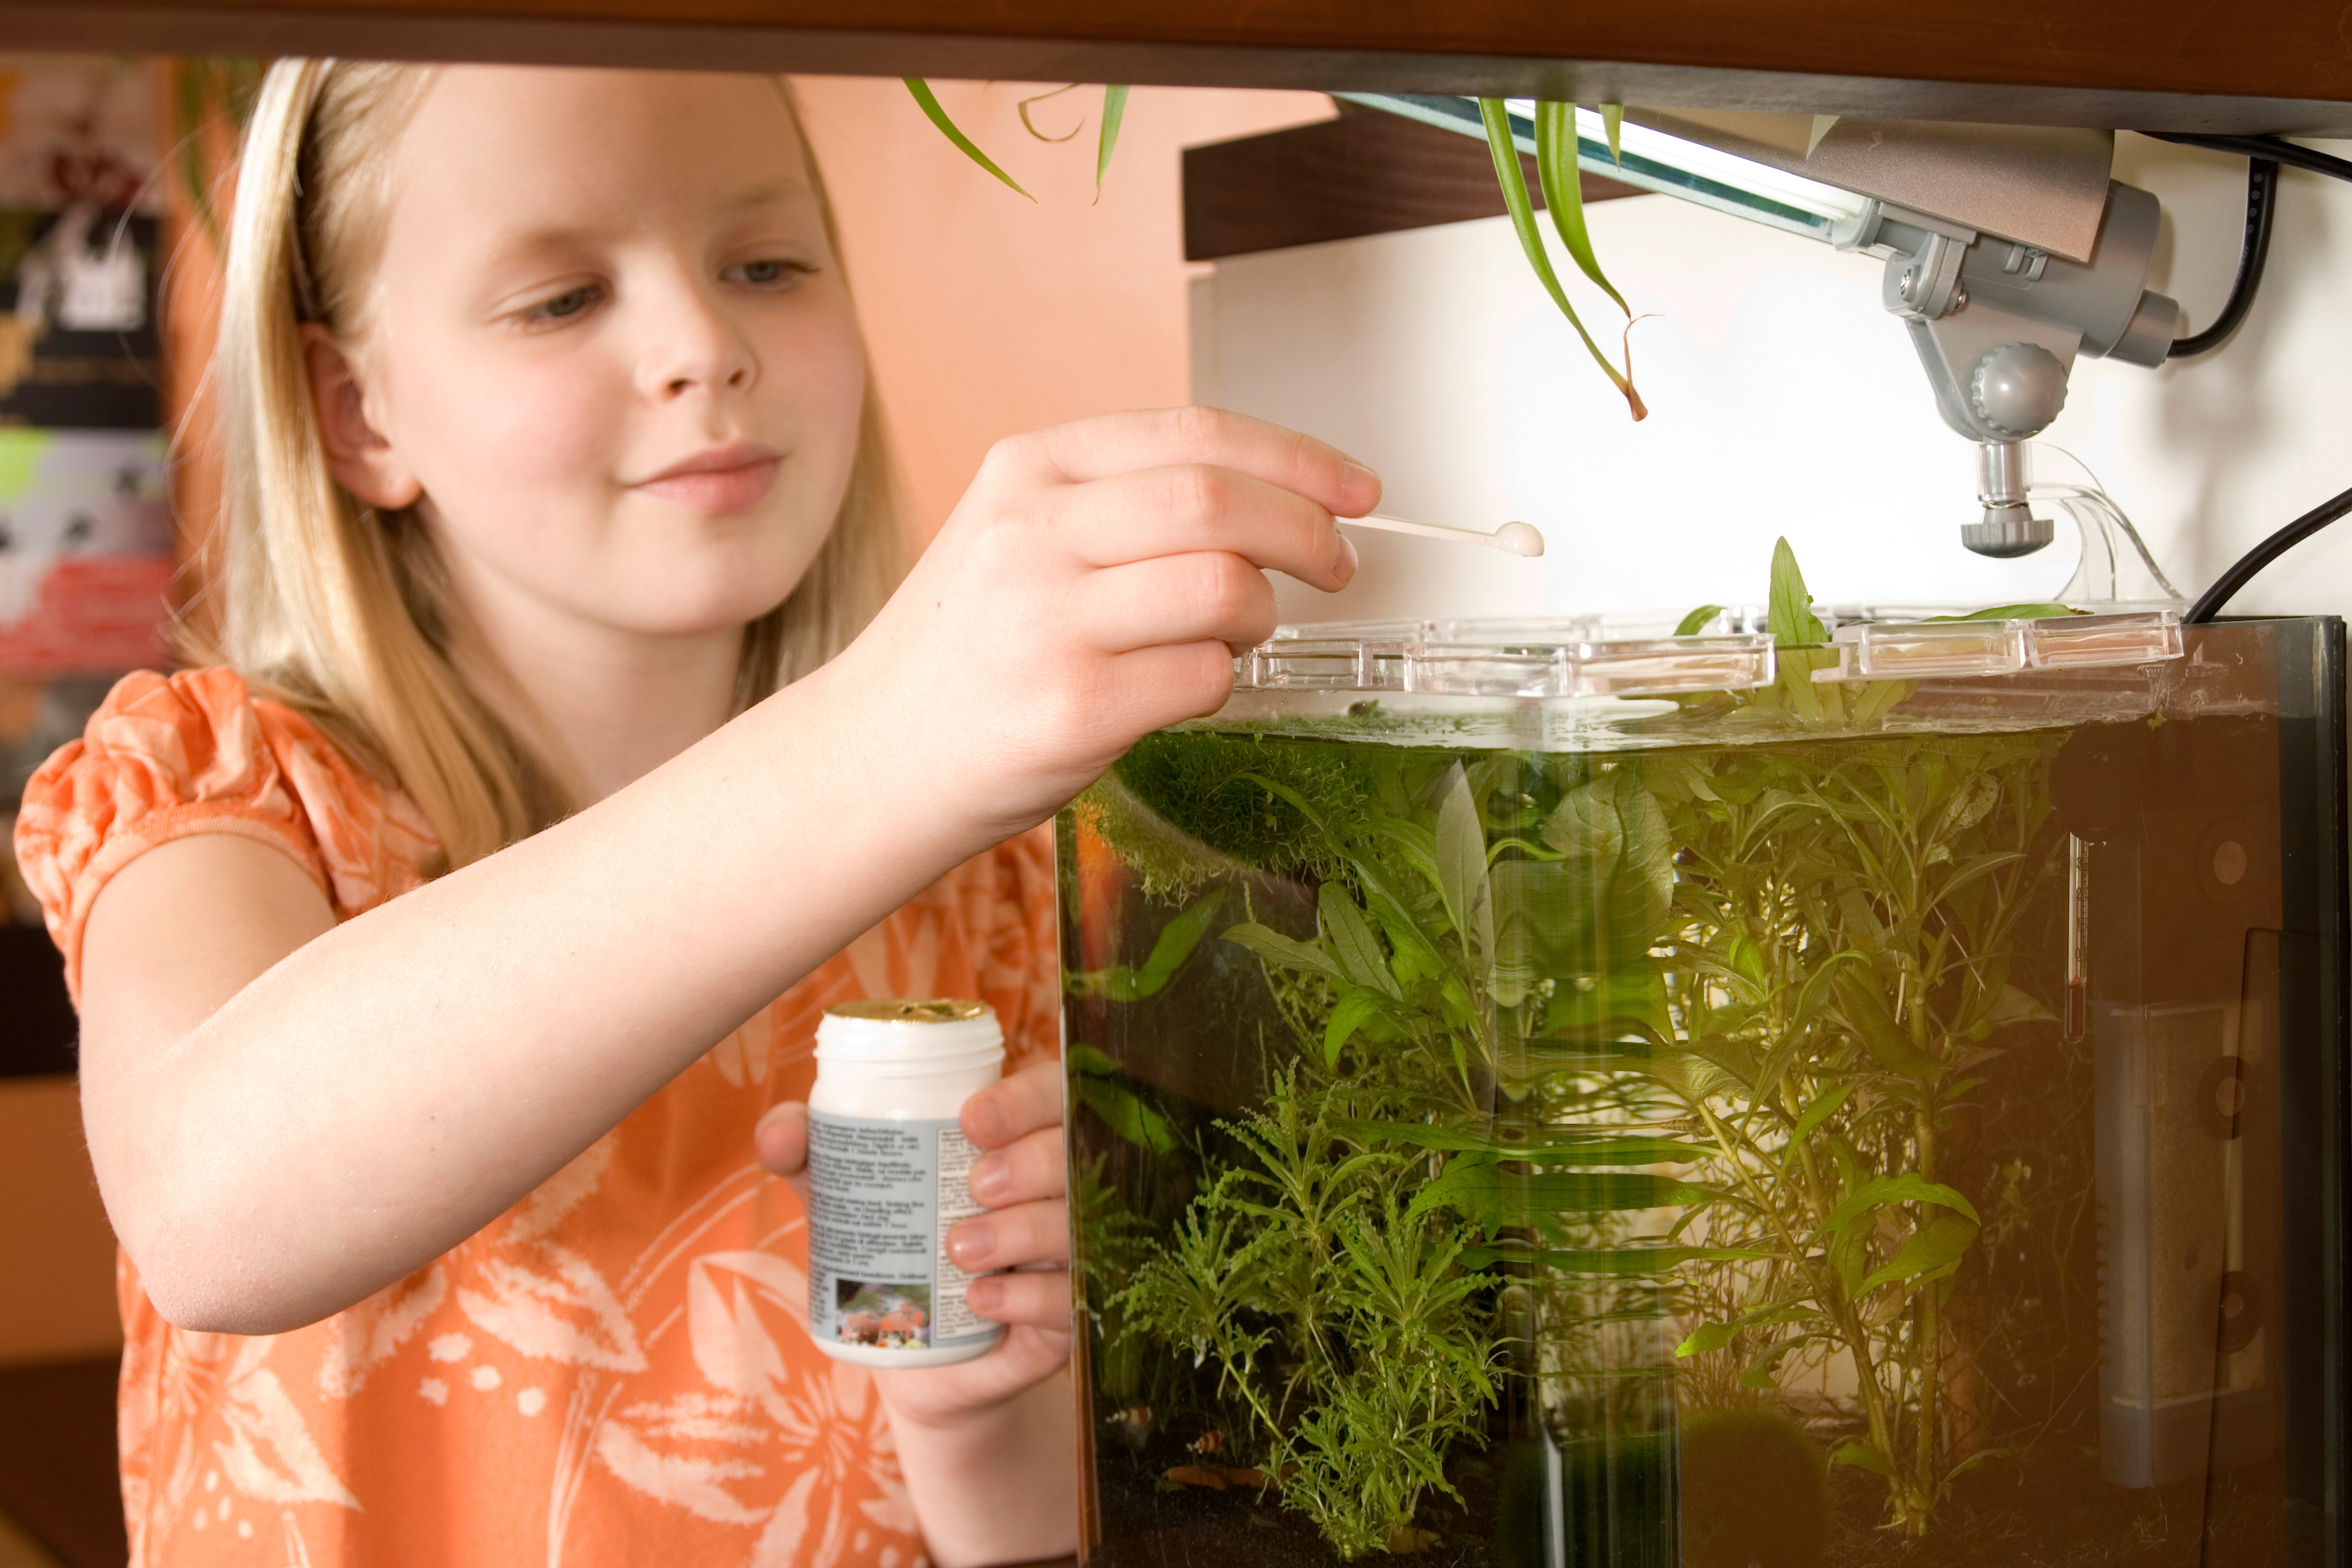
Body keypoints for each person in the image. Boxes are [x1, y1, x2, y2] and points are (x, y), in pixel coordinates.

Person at [11, 60, 1371, 1568]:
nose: (704, 346)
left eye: (766, 265)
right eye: (560, 299)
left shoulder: (994, 896)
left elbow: (1010, 1524)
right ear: (357, 414)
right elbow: (211, 1206)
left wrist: (976, 1407)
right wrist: (890, 727)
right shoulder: (222, 782)